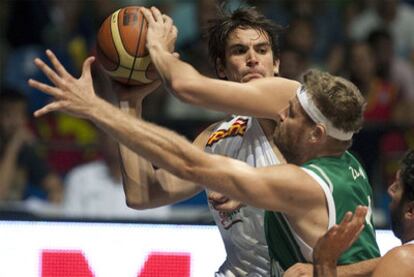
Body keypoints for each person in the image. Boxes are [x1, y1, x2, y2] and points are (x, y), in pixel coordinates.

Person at [28, 6, 380, 276]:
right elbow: (144, 195)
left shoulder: (289, 100)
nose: (253, 58)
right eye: (240, 51)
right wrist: (130, 102)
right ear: (222, 69)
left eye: (262, 50)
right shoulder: (218, 137)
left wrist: (158, 48)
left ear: (276, 65)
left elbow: (185, 87)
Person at [312, 150, 414, 277]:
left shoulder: (402, 260)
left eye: (397, 186)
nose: (390, 190)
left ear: (411, 210)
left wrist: (325, 263)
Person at [62, 131, 171, 219]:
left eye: (122, 132)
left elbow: (160, 231)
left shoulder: (154, 181)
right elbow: (71, 227)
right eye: (111, 131)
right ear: (100, 139)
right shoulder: (80, 178)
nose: (117, 139)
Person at [0, 87, 63, 204]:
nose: (15, 122)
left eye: (19, 115)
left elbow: (54, 184)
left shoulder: (25, 150)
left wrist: (56, 194)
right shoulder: (17, 144)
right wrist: (14, 146)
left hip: (14, 218)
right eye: (8, 114)